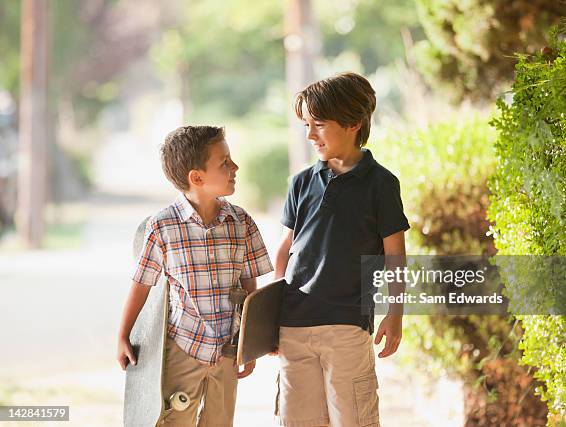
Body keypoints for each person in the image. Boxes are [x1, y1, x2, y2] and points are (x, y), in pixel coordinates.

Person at [274, 72, 410, 427]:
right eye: (306, 124)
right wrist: (270, 313)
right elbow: (286, 249)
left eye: (318, 124)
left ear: (353, 123)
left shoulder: (382, 184)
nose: (309, 134)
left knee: (355, 420)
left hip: (348, 328)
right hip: (294, 327)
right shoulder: (301, 182)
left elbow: (395, 254)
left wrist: (396, 312)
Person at [117, 125, 273, 426]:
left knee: (220, 422)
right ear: (197, 177)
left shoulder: (242, 223)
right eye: (224, 163)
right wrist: (123, 335)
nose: (235, 167)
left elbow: (250, 287)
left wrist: (249, 341)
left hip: (227, 351)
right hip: (182, 348)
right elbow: (141, 284)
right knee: (176, 420)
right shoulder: (162, 227)